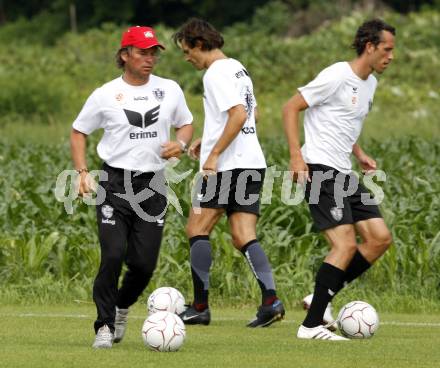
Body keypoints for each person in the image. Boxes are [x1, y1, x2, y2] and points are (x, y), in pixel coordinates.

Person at [70, 26, 193, 348]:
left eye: (153, 53)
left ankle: (122, 307)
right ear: (125, 55)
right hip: (114, 183)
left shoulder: (170, 89)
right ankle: (104, 326)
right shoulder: (105, 94)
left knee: (143, 264)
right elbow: (78, 131)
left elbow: (187, 123)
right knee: (112, 255)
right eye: (142, 52)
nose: (149, 59)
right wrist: (82, 171)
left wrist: (180, 143)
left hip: (152, 185)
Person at [282, 18, 395, 340]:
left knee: (379, 238)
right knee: (344, 245)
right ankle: (311, 325)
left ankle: (320, 298)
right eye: (386, 49)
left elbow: (344, 121)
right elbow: (291, 108)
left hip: (344, 171)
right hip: (319, 168)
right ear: (370, 46)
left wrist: (358, 153)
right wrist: (295, 156)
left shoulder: (369, 83)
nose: (391, 56)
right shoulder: (336, 75)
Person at [172, 18, 285, 328]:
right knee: (243, 235)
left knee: (196, 229)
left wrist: (215, 153)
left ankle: (199, 307)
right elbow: (253, 114)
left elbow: (238, 114)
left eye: (186, 51)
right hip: (252, 161)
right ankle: (270, 301)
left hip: (228, 166)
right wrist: (207, 139)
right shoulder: (238, 68)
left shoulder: (214, 74)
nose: (187, 58)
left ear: (198, 44)